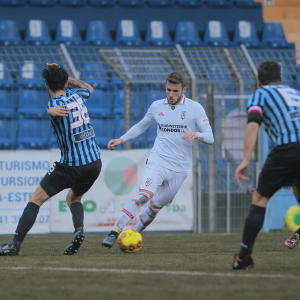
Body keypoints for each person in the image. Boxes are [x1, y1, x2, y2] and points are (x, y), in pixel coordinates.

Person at [102, 71, 214, 248]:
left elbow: (210, 137)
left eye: (175, 91)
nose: (171, 94)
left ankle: (133, 235)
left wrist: (196, 134)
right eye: (168, 90)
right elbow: (141, 126)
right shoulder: (156, 106)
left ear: (184, 90)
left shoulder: (195, 108)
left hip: (180, 168)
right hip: (158, 160)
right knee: (143, 196)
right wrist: (122, 139)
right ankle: (114, 232)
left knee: (154, 207)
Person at [0, 63, 102, 256]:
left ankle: (14, 245)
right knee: (74, 198)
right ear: (65, 82)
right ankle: (79, 230)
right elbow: (89, 88)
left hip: (72, 165)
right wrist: (67, 76)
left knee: (36, 199)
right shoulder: (77, 96)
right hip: (94, 162)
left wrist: (50, 111)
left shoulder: (53, 104)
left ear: (46, 86)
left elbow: (52, 109)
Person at [233, 60, 300, 270]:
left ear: (258, 80)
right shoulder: (294, 93)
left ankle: (243, 257)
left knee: (260, 198)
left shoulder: (259, 94)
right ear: (281, 79)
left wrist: (245, 159)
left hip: (288, 147)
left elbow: (253, 125)